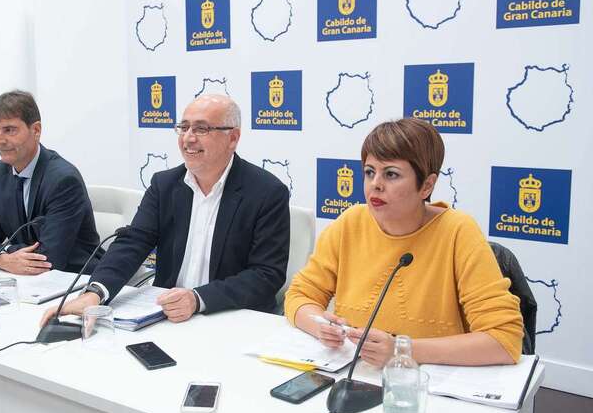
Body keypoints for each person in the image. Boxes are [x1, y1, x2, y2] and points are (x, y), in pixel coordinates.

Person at [285, 119, 524, 367]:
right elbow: (300, 295)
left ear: (427, 186)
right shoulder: (350, 223)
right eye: (369, 172)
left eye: (391, 174)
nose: (375, 184)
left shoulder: (458, 231)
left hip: (428, 380)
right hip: (355, 372)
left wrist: (403, 350)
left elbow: (504, 340)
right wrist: (320, 326)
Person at [40, 94, 290, 325]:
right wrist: (95, 293)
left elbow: (266, 274)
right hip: (166, 315)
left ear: (232, 138)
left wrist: (198, 299)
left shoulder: (267, 192)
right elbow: (133, 242)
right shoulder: (165, 185)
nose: (188, 138)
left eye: (201, 129)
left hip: (233, 318)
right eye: (184, 127)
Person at [0, 90, 100, 275]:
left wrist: (4, 252)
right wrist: (2, 259)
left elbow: (49, 258)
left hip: (72, 278)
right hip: (25, 278)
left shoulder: (63, 180)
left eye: (9, 130)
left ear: (36, 130)